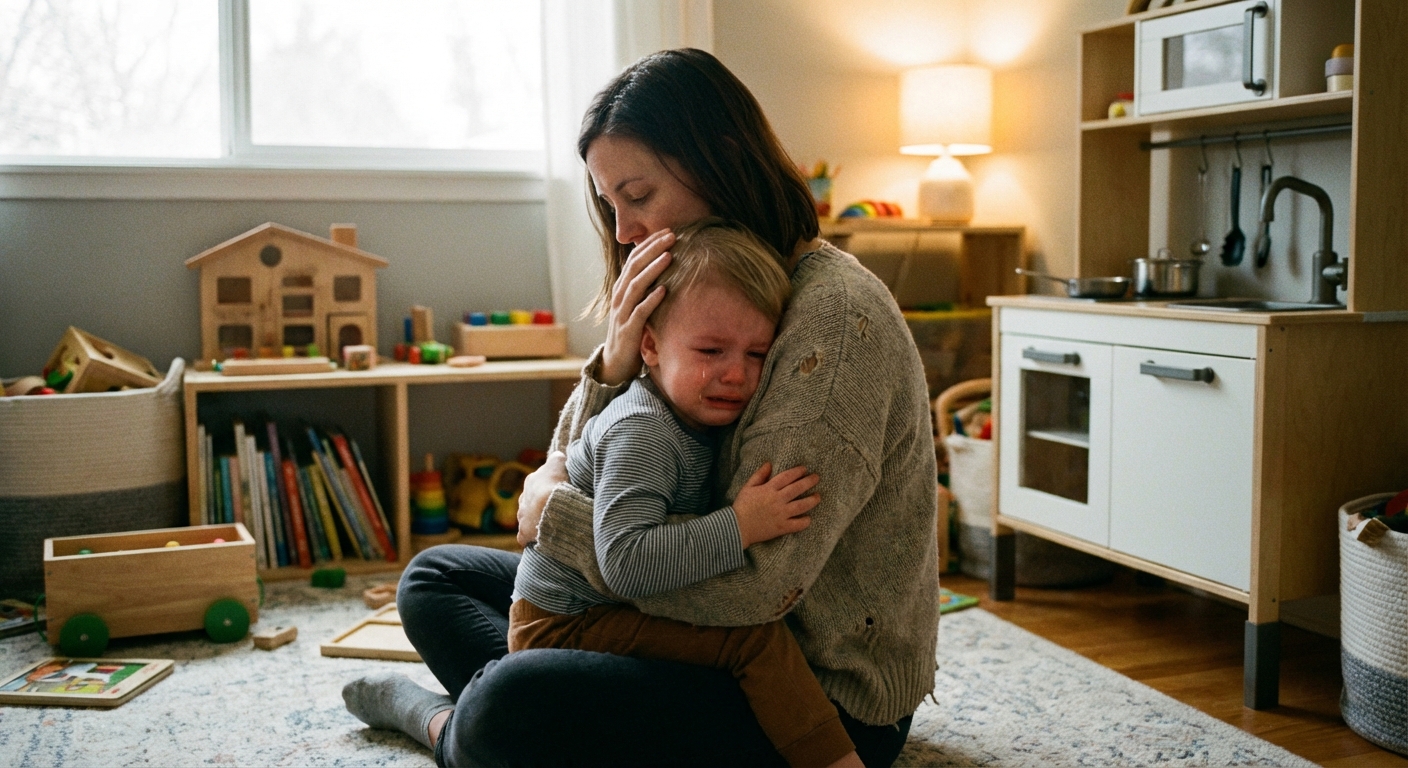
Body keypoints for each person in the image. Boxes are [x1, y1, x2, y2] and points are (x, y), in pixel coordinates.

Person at [342, 48, 938, 768]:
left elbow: (761, 591)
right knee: (435, 580)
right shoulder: (699, 289)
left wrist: (555, 513)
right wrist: (613, 367)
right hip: (677, 610)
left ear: (718, 162)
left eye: (638, 195)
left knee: (510, 703)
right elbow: (578, 464)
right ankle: (507, 715)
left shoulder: (831, 326)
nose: (623, 230)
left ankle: (445, 726)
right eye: (609, 204)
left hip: (804, 689)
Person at [509, 217, 861, 768]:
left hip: (596, 611)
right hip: (564, 625)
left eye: (756, 354)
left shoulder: (695, 416)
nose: (736, 376)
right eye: (711, 351)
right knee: (753, 639)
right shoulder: (645, 432)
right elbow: (627, 562)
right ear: (649, 346)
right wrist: (742, 525)